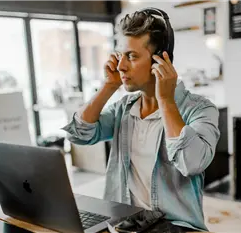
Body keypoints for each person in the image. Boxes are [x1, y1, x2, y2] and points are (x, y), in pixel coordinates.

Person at [62, 8, 220, 232]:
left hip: (175, 228)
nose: (121, 66)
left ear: (160, 60)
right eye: (120, 56)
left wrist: (165, 100)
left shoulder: (200, 109)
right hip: (125, 225)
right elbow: (77, 133)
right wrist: (109, 86)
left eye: (132, 56)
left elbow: (192, 163)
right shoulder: (123, 110)